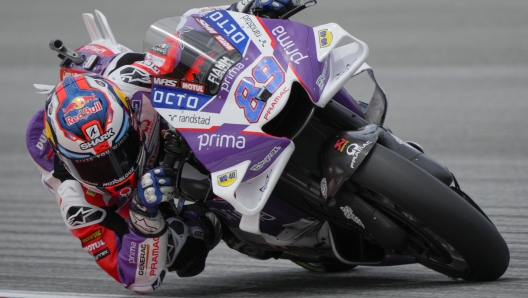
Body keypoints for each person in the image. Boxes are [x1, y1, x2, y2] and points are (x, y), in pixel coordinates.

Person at [26, 1, 301, 294]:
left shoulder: (130, 81)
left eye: (121, 150)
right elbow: (137, 280)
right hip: (155, 199)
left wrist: (246, 7)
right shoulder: (74, 197)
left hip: (182, 133)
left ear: (128, 115)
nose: (114, 170)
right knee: (184, 251)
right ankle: (223, 222)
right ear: (66, 162)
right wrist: (145, 216)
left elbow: (188, 33)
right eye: (95, 166)